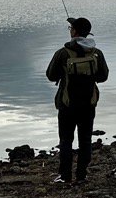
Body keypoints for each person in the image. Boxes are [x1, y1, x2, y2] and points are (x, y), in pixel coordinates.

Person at [46, 15, 109, 185]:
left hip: (67, 104)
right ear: (88, 34)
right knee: (86, 139)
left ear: (74, 32)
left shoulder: (62, 53)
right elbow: (103, 76)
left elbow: (50, 75)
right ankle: (82, 176)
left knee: (66, 140)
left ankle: (65, 176)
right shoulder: (96, 54)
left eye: (70, 28)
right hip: (88, 104)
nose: (70, 30)